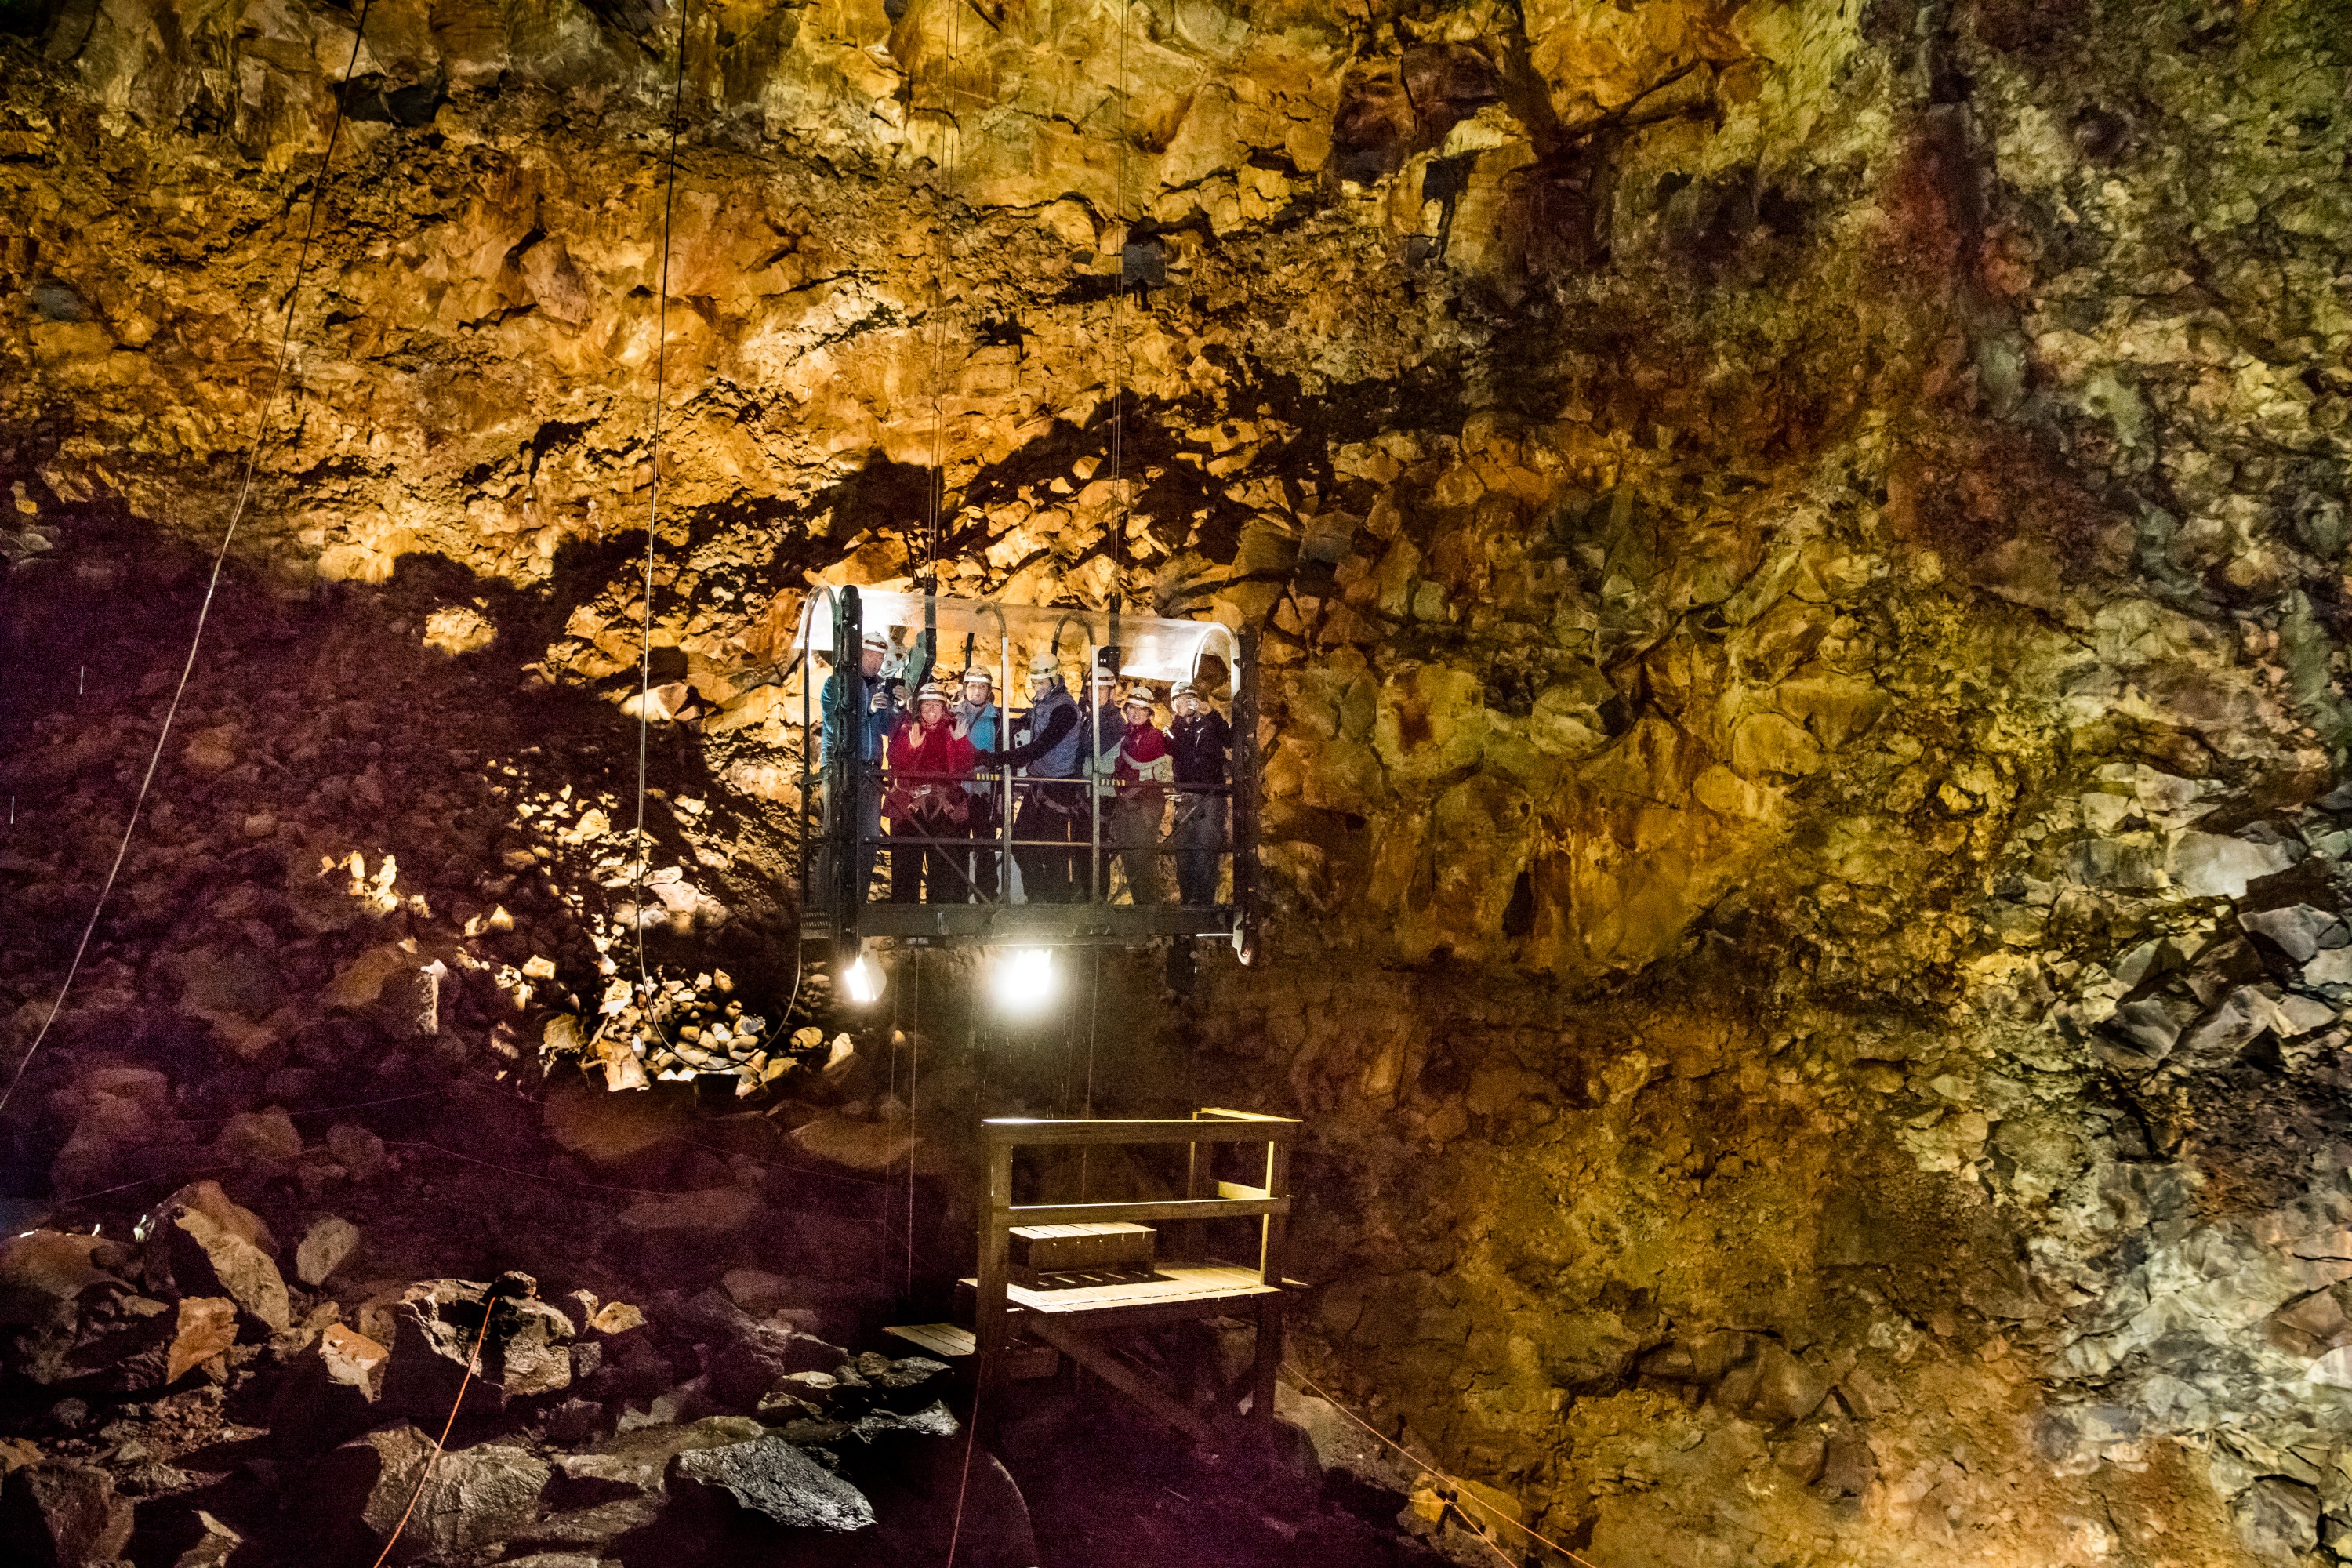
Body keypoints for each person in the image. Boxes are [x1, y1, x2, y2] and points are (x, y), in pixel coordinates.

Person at [970, 652, 1123, 902]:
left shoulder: (1065, 710)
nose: (1036, 687)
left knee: (1054, 849)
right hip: (1040, 781)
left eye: (1041, 683)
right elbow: (1033, 722)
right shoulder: (1046, 703)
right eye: (1034, 683)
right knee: (1020, 841)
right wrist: (1012, 724)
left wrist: (996, 758)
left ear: (1054, 680)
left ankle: (1057, 901)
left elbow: (1042, 746)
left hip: (1059, 786)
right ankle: (1040, 897)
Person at [817, 630, 898, 902]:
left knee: (869, 838)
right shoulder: (835, 685)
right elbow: (835, 724)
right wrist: (867, 711)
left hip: (871, 770)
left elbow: (890, 729)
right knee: (836, 834)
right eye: (871, 655)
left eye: (880, 657)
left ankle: (856, 902)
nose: (875, 662)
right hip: (841, 768)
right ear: (858, 654)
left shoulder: (879, 688)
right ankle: (826, 902)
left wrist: (898, 706)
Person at [884, 681, 976, 902]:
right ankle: (905, 931)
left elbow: (964, 768)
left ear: (944, 708)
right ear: (919, 709)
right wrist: (912, 748)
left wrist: (960, 743)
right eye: (927, 706)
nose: (932, 712)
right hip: (910, 807)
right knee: (906, 868)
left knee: (944, 872)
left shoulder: (954, 729)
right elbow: (895, 762)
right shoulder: (907, 728)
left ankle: (938, 932)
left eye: (937, 706)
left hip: (943, 809)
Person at [1103, 686, 1172, 904]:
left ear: (1150, 713)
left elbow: (1138, 762)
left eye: (1142, 709)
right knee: (1130, 857)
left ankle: (1149, 909)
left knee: (1142, 858)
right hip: (1127, 803)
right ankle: (1142, 908)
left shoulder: (1153, 737)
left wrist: (1119, 738)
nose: (1136, 713)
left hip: (1145, 804)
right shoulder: (1127, 734)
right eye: (1132, 707)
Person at [1167, 681, 1232, 906]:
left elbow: (1230, 739)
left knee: (1206, 848)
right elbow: (1173, 747)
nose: (1186, 703)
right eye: (1180, 700)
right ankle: (1188, 901)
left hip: (1211, 796)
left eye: (1190, 698)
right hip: (1185, 797)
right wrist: (1181, 722)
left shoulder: (1209, 724)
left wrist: (1211, 714)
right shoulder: (1173, 731)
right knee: (1184, 851)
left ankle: (1204, 904)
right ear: (1173, 704)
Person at [952, 668, 1004, 898]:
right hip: (958, 792)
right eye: (972, 686)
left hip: (985, 793)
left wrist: (1001, 796)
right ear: (965, 689)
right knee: (958, 847)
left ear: (989, 691)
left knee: (985, 848)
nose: (977, 691)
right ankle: (958, 900)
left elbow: (1003, 758)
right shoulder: (952, 716)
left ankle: (987, 899)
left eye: (982, 687)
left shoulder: (998, 719)